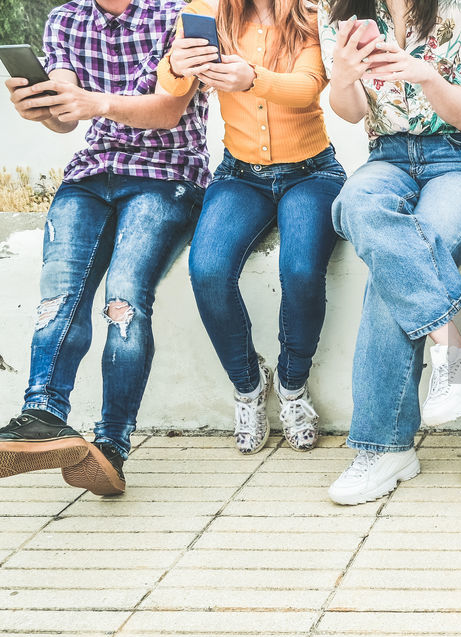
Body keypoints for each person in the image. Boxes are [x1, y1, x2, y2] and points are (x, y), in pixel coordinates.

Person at [0, 0, 208, 496]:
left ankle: (111, 444)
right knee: (60, 294)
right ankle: (43, 414)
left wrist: (98, 103)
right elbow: (66, 117)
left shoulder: (180, 14)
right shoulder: (66, 19)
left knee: (125, 298)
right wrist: (41, 108)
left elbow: (169, 109)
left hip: (167, 175)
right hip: (91, 175)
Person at [317, 0, 461, 504]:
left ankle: (384, 449)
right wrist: (343, 76)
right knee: (354, 202)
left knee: (391, 270)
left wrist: (425, 75)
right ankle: (454, 347)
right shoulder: (339, 9)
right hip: (388, 155)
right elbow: (351, 112)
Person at [160, 0, 345, 456]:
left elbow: (307, 87)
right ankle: (248, 385)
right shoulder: (206, 11)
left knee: (301, 271)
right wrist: (175, 63)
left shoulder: (308, 12)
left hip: (312, 173)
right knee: (207, 270)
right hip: (240, 176)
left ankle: (292, 384)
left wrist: (252, 78)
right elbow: (169, 84)